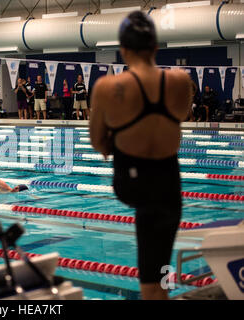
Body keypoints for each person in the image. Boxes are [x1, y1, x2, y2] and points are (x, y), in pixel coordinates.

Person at [89, 11, 191, 300]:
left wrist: (119, 139)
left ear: (123, 50)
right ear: (156, 48)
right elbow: (180, 116)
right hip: (168, 183)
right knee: (160, 263)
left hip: (132, 181)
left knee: (152, 273)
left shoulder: (108, 87)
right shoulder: (180, 81)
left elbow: (97, 141)